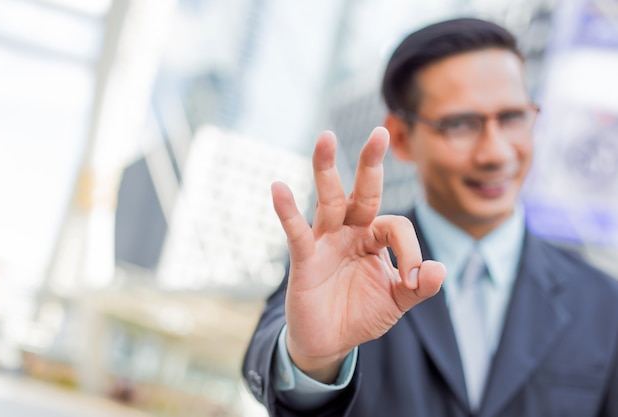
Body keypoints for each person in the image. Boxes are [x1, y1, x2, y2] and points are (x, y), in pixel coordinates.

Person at [242, 17, 618, 417]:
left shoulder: (603, 304)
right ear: (401, 138)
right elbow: (266, 362)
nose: (496, 153)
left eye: (512, 118)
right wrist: (313, 362)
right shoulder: (344, 267)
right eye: (460, 124)